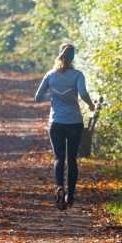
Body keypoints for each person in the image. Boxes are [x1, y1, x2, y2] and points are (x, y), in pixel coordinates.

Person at [34, 43, 95, 210]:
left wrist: (53, 93)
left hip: (56, 123)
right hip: (74, 122)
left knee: (59, 158)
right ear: (73, 57)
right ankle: (71, 195)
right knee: (72, 159)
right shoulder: (77, 75)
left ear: (59, 55)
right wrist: (90, 104)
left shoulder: (50, 75)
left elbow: (38, 98)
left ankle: (59, 186)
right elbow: (82, 93)